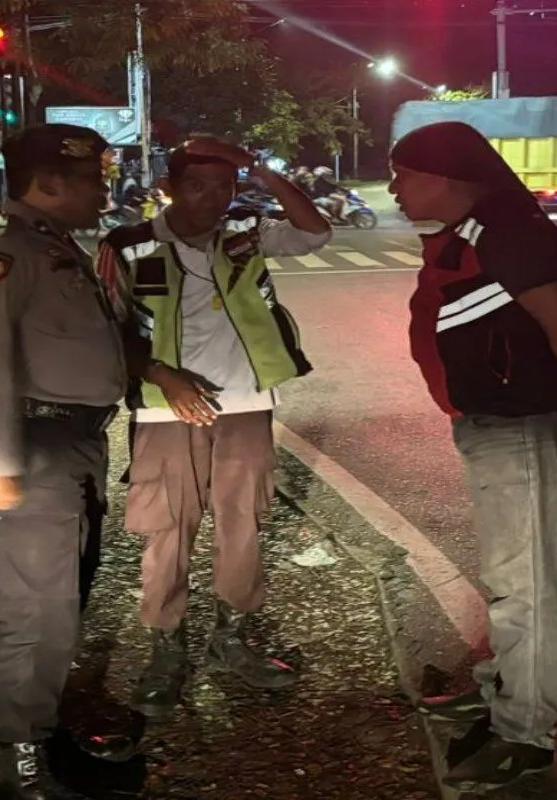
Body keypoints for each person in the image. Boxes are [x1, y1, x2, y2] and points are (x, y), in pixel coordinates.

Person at [391, 121, 557, 793]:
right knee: (510, 574)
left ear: (444, 177)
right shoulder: (474, 231)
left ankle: (524, 733)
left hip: (525, 424)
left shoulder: (508, 233)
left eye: (403, 174)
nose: (394, 187)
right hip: (498, 420)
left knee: (526, 585)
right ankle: (503, 690)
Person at [95, 136, 332, 722]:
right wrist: (161, 375)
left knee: (243, 520)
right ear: (169, 188)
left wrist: (261, 168)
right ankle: (166, 647)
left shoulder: (246, 231)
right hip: (164, 408)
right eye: (197, 185)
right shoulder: (128, 245)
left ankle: (231, 635)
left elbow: (315, 233)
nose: (213, 197)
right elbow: (105, 329)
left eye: (224, 185)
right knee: (168, 526)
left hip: (247, 401)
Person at [0, 124, 128, 800]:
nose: (103, 192)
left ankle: (42, 739)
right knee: (35, 613)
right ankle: (21, 771)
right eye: (92, 181)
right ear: (48, 182)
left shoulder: (51, 244)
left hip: (74, 442)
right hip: (37, 447)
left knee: (63, 602)